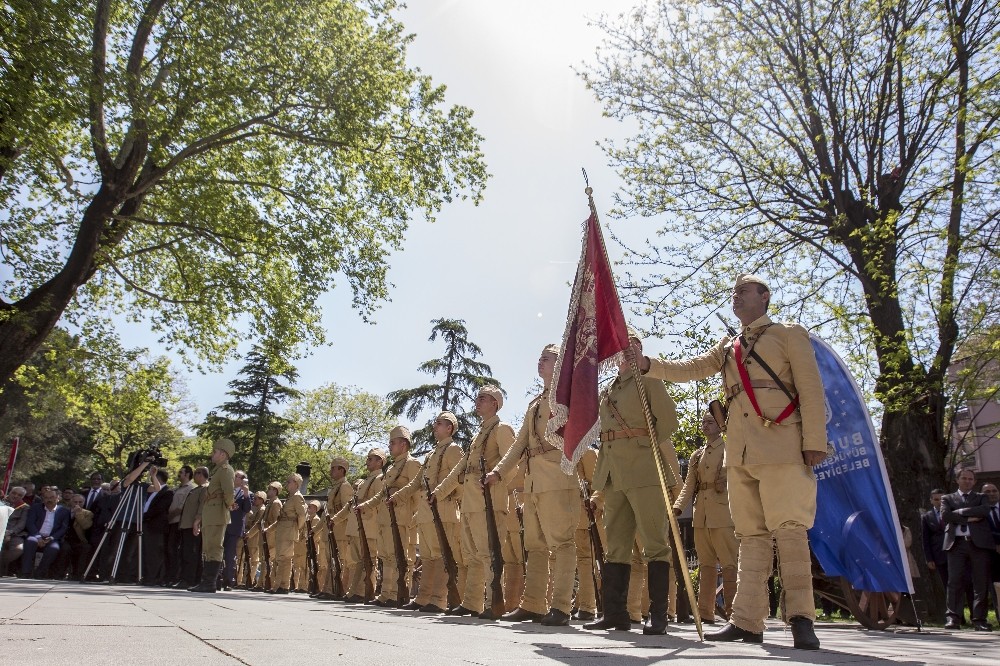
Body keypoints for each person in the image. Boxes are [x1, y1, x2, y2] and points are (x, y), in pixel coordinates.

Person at [631, 274, 826, 649]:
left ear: (764, 296)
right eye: (733, 292)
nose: (735, 297)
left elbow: (811, 389)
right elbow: (692, 368)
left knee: (789, 529)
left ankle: (802, 619)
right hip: (740, 452)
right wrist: (647, 364)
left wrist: (814, 442)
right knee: (750, 536)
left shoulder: (788, 334)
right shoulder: (729, 346)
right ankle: (747, 621)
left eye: (744, 291)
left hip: (782, 444)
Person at [585, 326, 680, 636]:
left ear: (640, 350)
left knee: (655, 544)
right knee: (616, 546)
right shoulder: (608, 390)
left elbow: (668, 422)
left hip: (643, 470)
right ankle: (615, 614)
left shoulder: (649, 380)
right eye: (622, 347)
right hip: (613, 473)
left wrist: (640, 444)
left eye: (633, 346)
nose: (626, 351)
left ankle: (658, 614)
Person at [486, 344, 581, 626]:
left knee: (562, 542)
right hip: (534, 481)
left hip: (557, 476)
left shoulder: (568, 394)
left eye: (547, 358)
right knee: (535, 545)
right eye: (539, 357)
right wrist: (498, 472)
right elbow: (519, 444)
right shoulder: (535, 403)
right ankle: (533, 604)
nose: (540, 361)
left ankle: (561, 607)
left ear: (560, 363)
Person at [433, 385, 515, 620]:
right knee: (472, 555)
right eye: (477, 398)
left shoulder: (502, 429)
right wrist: (438, 493)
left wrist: (496, 482)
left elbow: (512, 463)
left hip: (489, 502)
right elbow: (459, 469)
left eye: (483, 398)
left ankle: (493, 603)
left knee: (489, 553)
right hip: (471, 502)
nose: (477, 401)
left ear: (495, 404)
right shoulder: (478, 434)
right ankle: (471, 603)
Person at [393, 412, 465, 613]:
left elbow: (458, 479)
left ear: (449, 428)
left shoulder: (454, 450)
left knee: (442, 555)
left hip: (444, 509)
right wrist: (397, 497)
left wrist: (444, 496)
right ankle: (423, 598)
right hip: (426, 510)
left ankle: (439, 599)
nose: (435, 426)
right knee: (427, 556)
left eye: (439, 423)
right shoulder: (431, 454)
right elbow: (416, 483)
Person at [673, 410, 739, 623]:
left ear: (720, 425)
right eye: (703, 422)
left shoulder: (730, 449)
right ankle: (705, 614)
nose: (705, 425)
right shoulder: (697, 455)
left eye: (710, 422)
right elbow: (689, 486)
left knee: (729, 565)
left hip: (723, 514)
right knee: (706, 565)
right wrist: (677, 508)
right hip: (701, 514)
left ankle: (734, 614)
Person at [370, 426, 421, 607]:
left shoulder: (412, 464)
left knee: (399, 556)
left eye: (393, 443)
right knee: (386, 556)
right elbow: (382, 494)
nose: (389, 446)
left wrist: (412, 518)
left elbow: (417, 494)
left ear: (403, 444)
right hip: (386, 518)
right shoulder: (392, 467)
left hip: (401, 518)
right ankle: (386, 593)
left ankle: (398, 593)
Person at [941, 469, 993, 631]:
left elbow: (984, 511)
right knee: (954, 581)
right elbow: (946, 516)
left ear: (974, 482)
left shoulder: (981, 497)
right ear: (957, 480)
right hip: (956, 544)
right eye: (964, 478)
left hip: (978, 544)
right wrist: (970, 518)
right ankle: (953, 618)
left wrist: (960, 512)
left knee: (980, 582)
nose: (967, 481)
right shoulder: (947, 498)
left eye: (971, 479)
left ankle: (979, 620)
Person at [189, 439, 236, 593]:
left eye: (215, 452)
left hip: (218, 513)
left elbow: (229, 492)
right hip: (211, 513)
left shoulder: (226, 470)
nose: (212, 454)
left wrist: (230, 504)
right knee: (208, 548)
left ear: (223, 454)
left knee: (214, 547)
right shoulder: (218, 470)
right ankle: (206, 581)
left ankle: (210, 583)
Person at [340, 449, 386, 602]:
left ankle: (364, 592)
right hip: (357, 525)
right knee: (355, 561)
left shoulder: (379, 479)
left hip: (369, 526)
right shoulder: (367, 480)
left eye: (371, 459)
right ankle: (354, 590)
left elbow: (379, 502)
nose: (367, 462)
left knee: (368, 560)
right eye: (368, 458)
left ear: (379, 461)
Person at [20, 488, 72, 578]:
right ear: (43, 499)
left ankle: (40, 573)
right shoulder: (36, 507)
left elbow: (63, 528)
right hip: (36, 535)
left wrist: (51, 538)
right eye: (46, 498)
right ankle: (26, 572)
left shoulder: (64, 511)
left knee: (54, 548)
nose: (49, 500)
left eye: (52, 497)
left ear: (57, 498)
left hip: (52, 538)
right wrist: (38, 537)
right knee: (30, 542)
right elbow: (30, 523)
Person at [270, 472, 306, 594]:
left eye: (289, 481)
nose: (286, 483)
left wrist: (297, 528)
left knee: (284, 559)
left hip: (289, 530)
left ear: (296, 483)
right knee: (283, 558)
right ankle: (282, 585)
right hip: (283, 530)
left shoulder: (297, 497)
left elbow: (302, 515)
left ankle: (281, 585)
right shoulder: (290, 497)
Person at [325, 457, 354, 597]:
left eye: (333, 468)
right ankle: (328, 588)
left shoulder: (345, 486)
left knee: (339, 560)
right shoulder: (335, 487)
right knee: (331, 559)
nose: (331, 471)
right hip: (333, 529)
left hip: (341, 530)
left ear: (342, 470)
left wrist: (335, 520)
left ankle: (336, 589)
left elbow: (347, 509)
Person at [176, 467, 208, 588]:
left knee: (192, 554)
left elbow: (202, 506)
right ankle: (186, 578)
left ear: (201, 475)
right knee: (186, 553)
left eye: (195, 474)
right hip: (186, 525)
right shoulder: (196, 489)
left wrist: (197, 522)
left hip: (193, 526)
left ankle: (190, 580)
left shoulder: (205, 488)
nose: (194, 476)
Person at [221, 470, 252, 590]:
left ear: (243, 479)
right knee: (219, 553)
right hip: (222, 524)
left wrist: (246, 493)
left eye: (237, 476)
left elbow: (247, 509)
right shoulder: (227, 491)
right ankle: (217, 579)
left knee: (230, 555)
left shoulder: (246, 494)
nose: (235, 478)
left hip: (234, 528)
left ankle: (229, 581)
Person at [142, 468, 174, 585]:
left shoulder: (167, 492)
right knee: (148, 551)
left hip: (156, 527)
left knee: (155, 553)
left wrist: (144, 515)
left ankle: (153, 578)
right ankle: (146, 576)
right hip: (147, 525)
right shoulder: (151, 491)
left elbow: (160, 508)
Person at [165, 466, 195, 585]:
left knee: (175, 550)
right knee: (170, 549)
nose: (178, 474)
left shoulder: (190, 488)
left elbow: (181, 507)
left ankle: (176, 577)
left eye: (181, 472)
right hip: (171, 523)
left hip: (179, 522)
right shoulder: (177, 488)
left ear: (187, 474)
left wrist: (168, 517)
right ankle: (170, 576)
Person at [921, 488, 949, 595]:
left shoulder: (952, 512)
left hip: (955, 553)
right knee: (946, 584)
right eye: (936, 499)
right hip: (939, 555)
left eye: (942, 499)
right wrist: (929, 559)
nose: (939, 502)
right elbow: (925, 539)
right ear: (931, 500)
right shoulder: (926, 517)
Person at [257, 482, 283, 591]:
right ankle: (261, 583)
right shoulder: (269, 503)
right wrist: (249, 534)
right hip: (266, 535)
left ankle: (268, 583)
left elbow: (277, 521)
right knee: (265, 560)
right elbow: (260, 522)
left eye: (270, 489)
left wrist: (268, 530)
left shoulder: (276, 503)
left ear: (275, 491)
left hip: (271, 536)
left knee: (269, 560)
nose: (268, 491)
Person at [2, 487, 29, 575]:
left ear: (22, 497)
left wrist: (9, 532)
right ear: (9, 492)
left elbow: (21, 524)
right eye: (14, 493)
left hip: (14, 533)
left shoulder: (24, 507)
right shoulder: (1, 502)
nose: (16, 496)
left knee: (18, 549)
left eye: (19, 495)